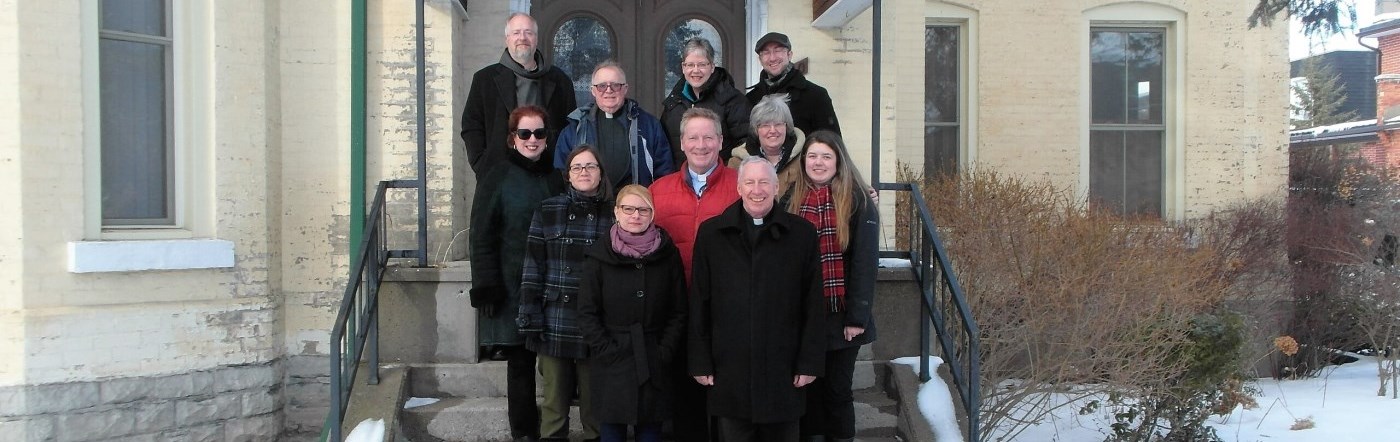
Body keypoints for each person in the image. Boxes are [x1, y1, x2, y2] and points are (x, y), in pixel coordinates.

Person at [688, 156, 827, 442]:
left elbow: (812, 303)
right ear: (738, 188)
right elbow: (700, 301)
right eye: (749, 182)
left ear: (776, 187)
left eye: (764, 182)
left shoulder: (801, 234)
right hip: (729, 368)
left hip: (783, 368)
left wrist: (809, 361)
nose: (757, 190)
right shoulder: (713, 234)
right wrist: (699, 360)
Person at [468, 105, 565, 442]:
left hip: (553, 282)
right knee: (520, 363)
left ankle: (556, 425)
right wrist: (487, 285)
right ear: (512, 138)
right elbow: (481, 234)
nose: (532, 140)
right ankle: (523, 432)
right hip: (511, 285)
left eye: (539, 133)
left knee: (556, 361)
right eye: (525, 133)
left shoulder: (557, 177)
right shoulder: (497, 176)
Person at [778, 131, 879, 442]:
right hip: (802, 314)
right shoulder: (788, 198)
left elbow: (865, 263)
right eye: (812, 156)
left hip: (840, 314)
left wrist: (856, 318)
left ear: (838, 161)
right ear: (803, 160)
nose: (818, 162)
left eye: (826, 156)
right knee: (807, 391)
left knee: (837, 392)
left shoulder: (858, 200)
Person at [646, 107, 738, 442]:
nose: (701, 144)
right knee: (684, 402)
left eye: (708, 137)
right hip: (677, 312)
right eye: (693, 137)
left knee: (727, 401)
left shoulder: (742, 187)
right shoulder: (658, 191)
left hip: (727, 314)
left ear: (721, 141)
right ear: (682, 143)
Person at [517, 146, 614, 442]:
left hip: (597, 322)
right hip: (555, 318)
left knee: (595, 405)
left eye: (590, 166)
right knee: (554, 404)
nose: (584, 172)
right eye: (577, 167)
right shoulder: (548, 210)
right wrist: (529, 316)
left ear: (601, 173)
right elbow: (533, 266)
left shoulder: (615, 213)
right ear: (568, 176)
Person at [577, 185, 688, 442]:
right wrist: (607, 350)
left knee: (650, 432)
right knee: (612, 433)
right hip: (612, 360)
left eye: (643, 209)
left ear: (652, 214)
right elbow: (586, 312)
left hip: (653, 356)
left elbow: (678, 310)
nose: (635, 215)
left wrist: (664, 350)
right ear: (616, 212)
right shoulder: (599, 256)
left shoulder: (667, 254)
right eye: (628, 208)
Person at [461, 13, 577, 174]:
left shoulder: (560, 80)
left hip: (549, 175)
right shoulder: (484, 79)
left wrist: (564, 167)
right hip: (498, 175)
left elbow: (570, 128)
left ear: (536, 38)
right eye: (516, 33)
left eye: (528, 32)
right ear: (507, 39)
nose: (522, 38)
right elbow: (472, 126)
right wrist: (482, 164)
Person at [555, 61, 674, 189]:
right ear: (593, 91)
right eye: (601, 86)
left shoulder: (649, 126)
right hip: (589, 204)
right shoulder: (575, 129)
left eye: (615, 85)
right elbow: (562, 173)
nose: (608, 90)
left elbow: (664, 173)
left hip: (633, 205)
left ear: (625, 89)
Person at [660, 37, 750, 168]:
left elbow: (746, 146)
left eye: (702, 64)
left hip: (722, 181)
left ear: (712, 67)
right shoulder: (673, 103)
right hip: (682, 182)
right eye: (690, 65)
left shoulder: (733, 100)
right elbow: (664, 149)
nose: (696, 70)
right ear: (683, 68)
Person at [746, 32, 841, 136]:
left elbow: (831, 142)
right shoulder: (751, 99)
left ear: (789, 55)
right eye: (766, 52)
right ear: (760, 59)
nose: (772, 58)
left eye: (778, 50)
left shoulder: (815, 95)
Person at [732, 94, 802, 178]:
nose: (772, 130)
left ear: (786, 127)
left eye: (778, 124)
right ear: (756, 129)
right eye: (765, 125)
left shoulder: (803, 160)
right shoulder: (737, 163)